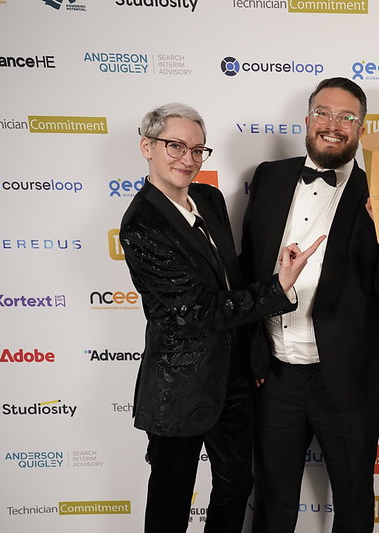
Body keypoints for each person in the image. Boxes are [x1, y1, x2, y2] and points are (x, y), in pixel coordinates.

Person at [120, 103, 323, 533]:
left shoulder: (209, 199)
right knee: (171, 498)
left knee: (236, 484)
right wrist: (279, 287)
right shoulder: (142, 225)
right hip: (179, 385)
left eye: (197, 150)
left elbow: (230, 279)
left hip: (233, 378)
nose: (187, 159)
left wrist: (253, 355)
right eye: (175, 146)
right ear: (147, 147)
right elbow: (199, 312)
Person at [239, 77, 379, 533]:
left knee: (354, 501)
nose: (333, 124)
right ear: (308, 118)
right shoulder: (269, 177)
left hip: (350, 379)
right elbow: (246, 271)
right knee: (273, 501)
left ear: (360, 129)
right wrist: (251, 353)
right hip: (276, 376)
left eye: (347, 117)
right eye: (323, 112)